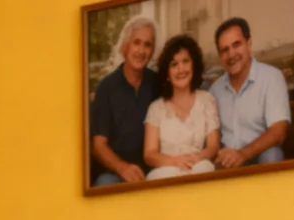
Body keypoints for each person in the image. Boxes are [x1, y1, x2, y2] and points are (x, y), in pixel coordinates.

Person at [209, 17, 291, 168]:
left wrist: (243, 154)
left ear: (249, 43)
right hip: (228, 161)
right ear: (220, 56)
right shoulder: (215, 91)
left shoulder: (271, 77)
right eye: (225, 50)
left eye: (236, 44)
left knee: (271, 154)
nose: (231, 54)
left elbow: (279, 132)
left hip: (260, 156)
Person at [90, 16, 160, 187]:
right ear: (125, 46)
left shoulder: (158, 83)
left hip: (153, 169)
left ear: (152, 51)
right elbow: (98, 145)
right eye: (136, 42)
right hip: (114, 173)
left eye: (147, 44)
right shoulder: (106, 88)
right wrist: (123, 168)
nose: (141, 51)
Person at [142, 35, 221, 180]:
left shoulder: (207, 100)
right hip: (166, 170)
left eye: (185, 61)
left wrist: (197, 157)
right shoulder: (156, 108)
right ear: (167, 73)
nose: (181, 69)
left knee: (205, 170)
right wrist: (176, 162)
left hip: (199, 166)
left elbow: (213, 146)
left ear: (194, 65)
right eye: (174, 64)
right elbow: (149, 154)